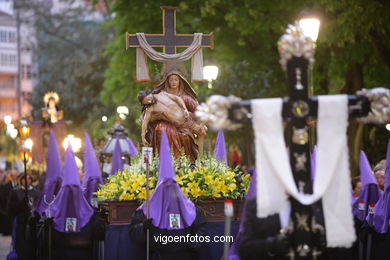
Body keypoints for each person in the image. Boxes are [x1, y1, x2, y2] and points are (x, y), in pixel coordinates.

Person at [129, 131, 207, 259]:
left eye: (172, 187)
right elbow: (134, 234)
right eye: (165, 188)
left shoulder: (189, 208)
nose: (169, 191)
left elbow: (201, 228)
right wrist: (143, 228)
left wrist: (196, 240)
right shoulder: (146, 210)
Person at [38, 146, 105, 260]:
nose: (71, 192)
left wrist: (99, 222)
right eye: (68, 188)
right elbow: (43, 242)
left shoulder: (90, 213)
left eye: (74, 187)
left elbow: (98, 236)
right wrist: (46, 227)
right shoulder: (51, 212)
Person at [138, 66, 205, 162]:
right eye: (171, 80)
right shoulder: (151, 106)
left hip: (185, 121)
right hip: (175, 124)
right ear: (167, 82)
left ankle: (200, 158)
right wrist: (143, 135)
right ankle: (164, 160)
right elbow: (145, 120)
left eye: (176, 80)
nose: (173, 82)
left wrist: (186, 110)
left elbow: (197, 110)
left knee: (201, 130)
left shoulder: (166, 95)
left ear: (180, 81)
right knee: (161, 128)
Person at [139, 89, 206, 147]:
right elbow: (145, 122)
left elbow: (177, 98)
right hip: (181, 123)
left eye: (148, 99)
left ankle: (200, 157)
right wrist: (142, 136)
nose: (149, 102)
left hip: (187, 115)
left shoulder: (163, 94)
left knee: (203, 130)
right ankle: (200, 157)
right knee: (201, 132)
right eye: (147, 103)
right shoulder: (150, 108)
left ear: (149, 93)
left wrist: (184, 109)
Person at [7, 173, 40, 260]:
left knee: (32, 242)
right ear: (21, 180)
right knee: (21, 242)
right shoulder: (15, 192)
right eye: (24, 179)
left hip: (33, 222)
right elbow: (11, 208)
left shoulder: (36, 192)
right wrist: (21, 204)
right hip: (20, 221)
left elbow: (39, 207)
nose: (27, 181)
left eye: (29, 179)